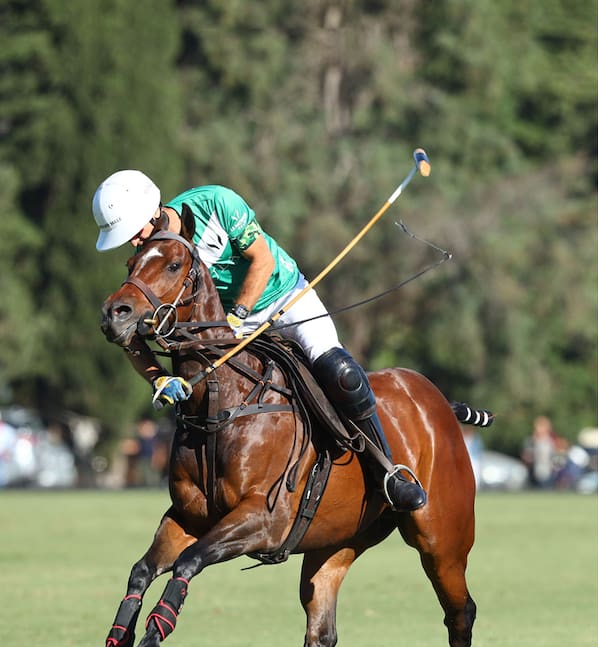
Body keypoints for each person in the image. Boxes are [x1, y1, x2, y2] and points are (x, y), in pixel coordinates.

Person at [91, 169, 426, 511]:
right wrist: (157, 377)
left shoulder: (216, 204)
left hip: (283, 298)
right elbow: (128, 330)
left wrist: (239, 315)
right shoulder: (151, 256)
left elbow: (262, 261)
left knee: (340, 372)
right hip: (225, 325)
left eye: (135, 231)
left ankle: (388, 471)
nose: (135, 242)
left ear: (153, 210)